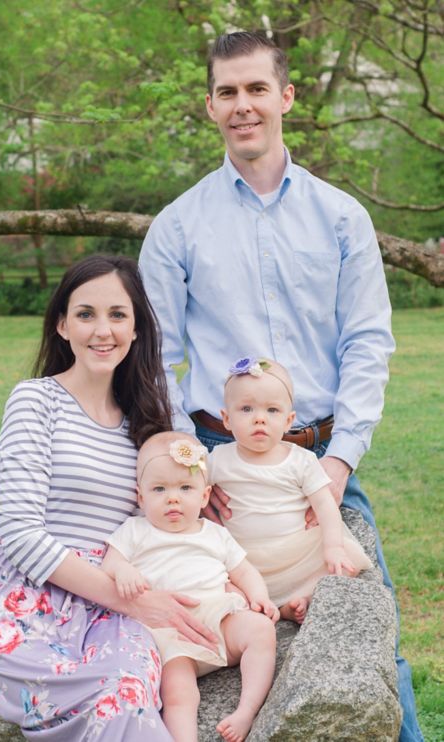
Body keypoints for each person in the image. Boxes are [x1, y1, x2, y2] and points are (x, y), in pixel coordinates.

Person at [138, 30, 423, 742]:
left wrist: (337, 463)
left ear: (285, 97)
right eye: (228, 92)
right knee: (208, 636)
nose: (243, 105)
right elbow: (158, 355)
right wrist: (192, 467)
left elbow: (366, 342)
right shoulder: (177, 227)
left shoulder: (341, 218)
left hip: (321, 460)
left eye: (257, 89)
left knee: (367, 633)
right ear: (210, 106)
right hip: (215, 466)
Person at [0, 254, 220, 742]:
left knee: (128, 689)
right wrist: (143, 606)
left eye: (117, 315)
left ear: (136, 328)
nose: (102, 330)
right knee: (105, 695)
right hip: (32, 594)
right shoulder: (35, 400)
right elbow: (19, 533)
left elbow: (160, 517)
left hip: (114, 600)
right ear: (63, 325)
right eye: (85, 314)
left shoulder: (144, 425)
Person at [102, 430, 279, 742]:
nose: (173, 497)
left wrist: (259, 597)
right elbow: (111, 563)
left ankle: (246, 711)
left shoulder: (214, 533)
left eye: (185, 487)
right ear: (140, 497)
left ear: (204, 495)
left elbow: (244, 570)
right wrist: (123, 571)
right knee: (178, 692)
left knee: (261, 631)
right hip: (170, 636)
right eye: (159, 489)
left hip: (219, 619)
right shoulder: (135, 530)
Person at [208, 357, 372, 623]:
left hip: (295, 552)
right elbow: (193, 490)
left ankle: (299, 600)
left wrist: (333, 546)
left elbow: (325, 506)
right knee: (222, 584)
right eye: (246, 409)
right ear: (226, 418)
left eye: (272, 411)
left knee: (343, 562)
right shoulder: (219, 459)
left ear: (288, 420)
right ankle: (265, 605)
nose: (260, 419)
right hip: (244, 558)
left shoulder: (300, 460)